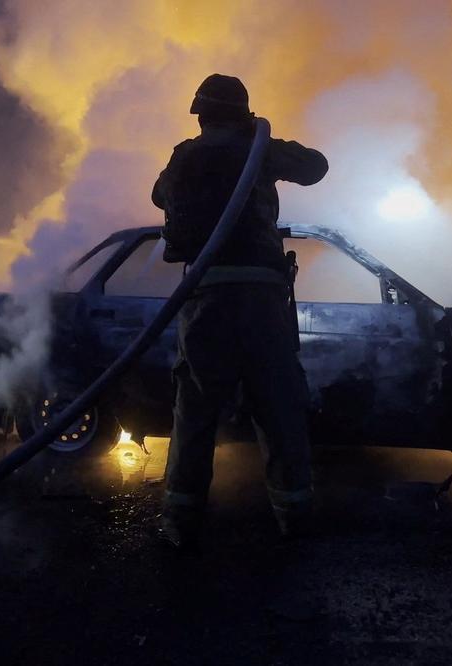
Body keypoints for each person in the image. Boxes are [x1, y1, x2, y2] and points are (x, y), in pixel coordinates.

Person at [151, 74, 328, 548]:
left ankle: (180, 521)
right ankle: (294, 518)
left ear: (201, 114)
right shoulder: (260, 149)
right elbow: (316, 167)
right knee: (280, 408)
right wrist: (260, 139)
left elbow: (158, 195)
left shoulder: (185, 155)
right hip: (261, 302)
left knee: (195, 412)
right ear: (243, 112)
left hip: (206, 300)